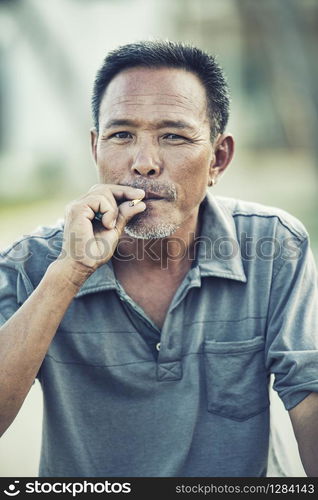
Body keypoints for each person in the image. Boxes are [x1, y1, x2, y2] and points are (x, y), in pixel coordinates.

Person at [0, 40, 318, 478]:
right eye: (121, 135)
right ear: (96, 150)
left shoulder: (275, 246)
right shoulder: (32, 261)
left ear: (218, 158)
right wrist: (69, 273)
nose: (144, 163)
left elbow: (310, 393)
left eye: (173, 136)